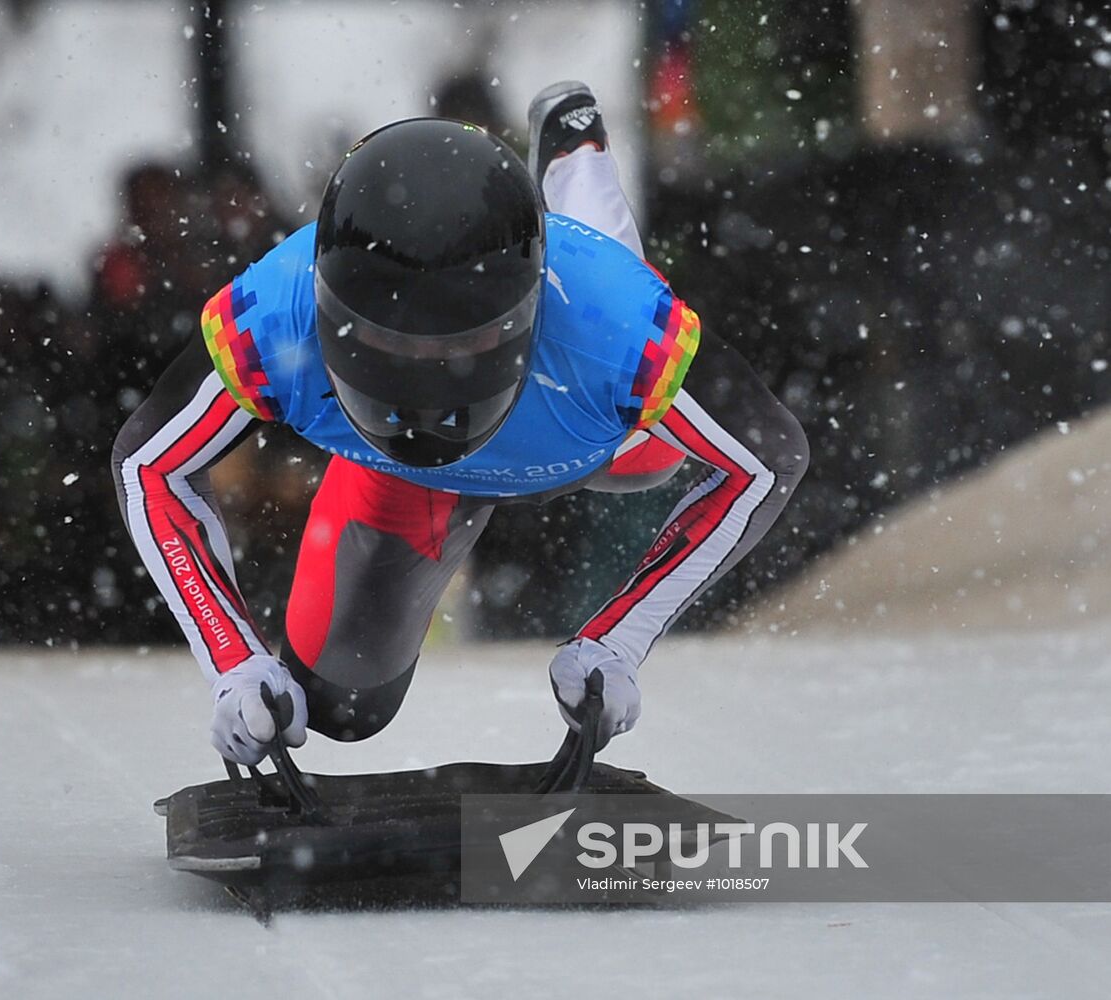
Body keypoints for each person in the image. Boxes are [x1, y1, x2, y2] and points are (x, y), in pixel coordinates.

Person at [112, 82, 809, 764]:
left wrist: (619, 640)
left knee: (651, 446)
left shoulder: (616, 327)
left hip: (583, 431)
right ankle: (573, 181)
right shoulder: (271, 316)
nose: (424, 378)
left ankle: (577, 163)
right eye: (391, 341)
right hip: (462, 457)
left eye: (458, 340)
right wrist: (232, 662)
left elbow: (767, 458)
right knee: (340, 708)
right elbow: (148, 466)